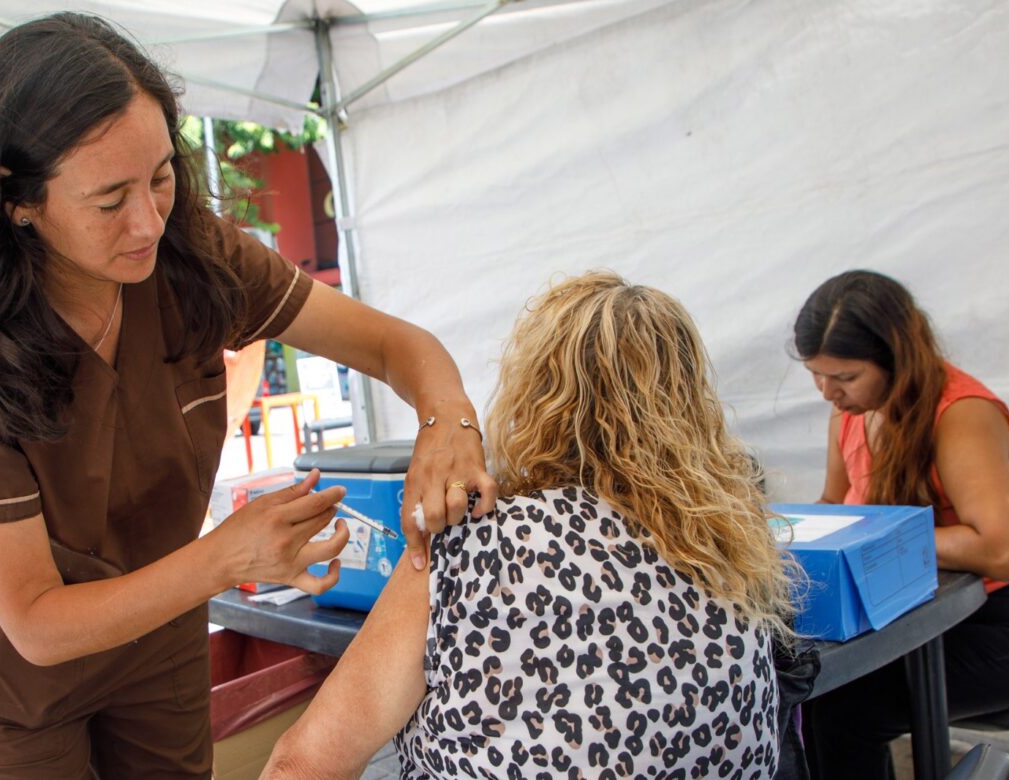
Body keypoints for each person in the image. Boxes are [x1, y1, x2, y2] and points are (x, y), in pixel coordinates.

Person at [0, 12, 496, 777]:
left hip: (159, 644)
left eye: (161, 176)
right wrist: (230, 556)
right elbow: (35, 622)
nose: (148, 222)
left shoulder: (195, 255)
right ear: (16, 198)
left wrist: (449, 418)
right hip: (18, 682)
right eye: (110, 200)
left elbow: (397, 346)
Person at [263, 271, 794, 778]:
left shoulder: (477, 546)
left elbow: (307, 765)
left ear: (538, 399)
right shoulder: (731, 546)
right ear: (690, 400)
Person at [792, 270, 1009, 779]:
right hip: (914, 612)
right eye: (817, 375)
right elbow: (835, 507)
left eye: (845, 377)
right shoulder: (854, 412)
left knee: (845, 710)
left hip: (1007, 619)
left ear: (896, 357)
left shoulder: (962, 414)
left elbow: (1005, 551)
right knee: (802, 690)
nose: (826, 393)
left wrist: (882, 540)